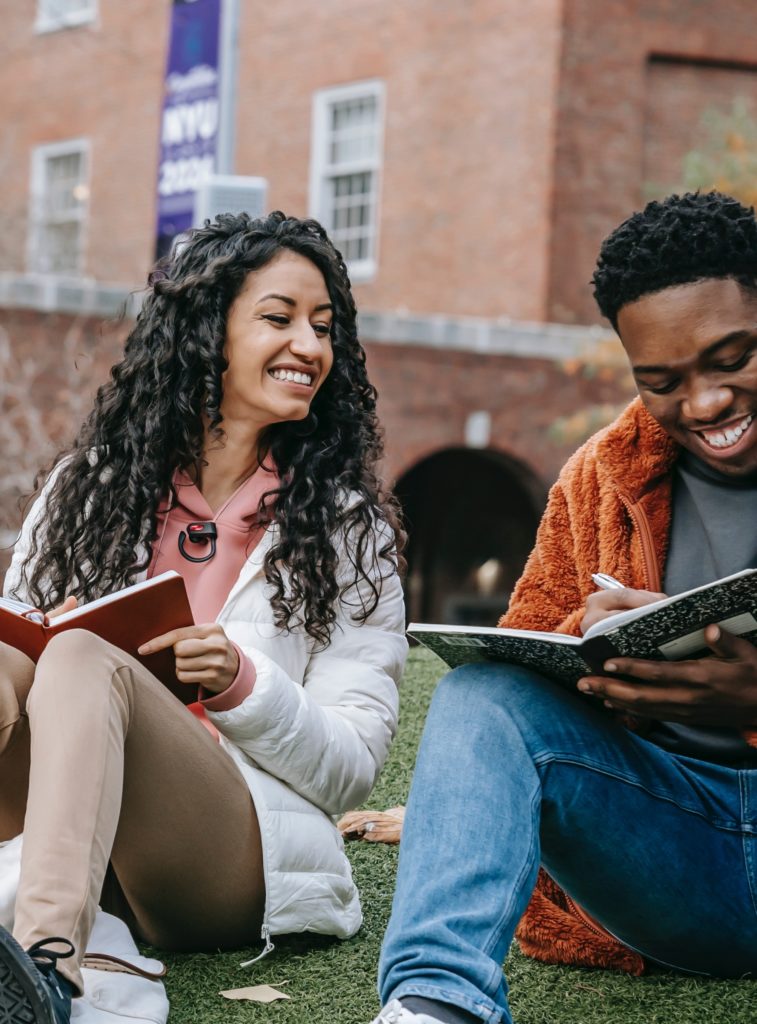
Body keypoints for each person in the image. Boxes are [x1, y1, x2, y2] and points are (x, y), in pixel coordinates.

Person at [0, 211, 407, 1024]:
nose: (309, 347)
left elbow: (351, 765)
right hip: (66, 820)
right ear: (202, 333)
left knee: (82, 658)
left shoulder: (344, 526)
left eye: (323, 328)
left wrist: (239, 683)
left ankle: (42, 972)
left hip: (226, 854)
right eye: (278, 318)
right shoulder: (89, 486)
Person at [368, 191, 757, 1024]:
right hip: (668, 850)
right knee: (484, 694)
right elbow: (528, 659)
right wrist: (599, 656)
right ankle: (434, 1005)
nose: (704, 404)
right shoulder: (600, 476)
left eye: (732, 357)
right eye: (661, 381)